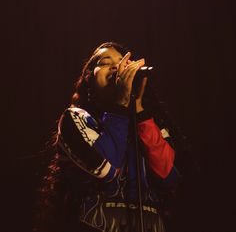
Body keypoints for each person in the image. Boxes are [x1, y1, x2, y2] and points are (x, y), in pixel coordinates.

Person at [34, 41, 180, 232]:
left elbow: (168, 177)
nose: (116, 66)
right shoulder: (75, 118)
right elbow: (107, 168)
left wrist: (139, 111)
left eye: (122, 62)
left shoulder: (152, 124)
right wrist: (121, 103)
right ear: (89, 79)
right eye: (104, 62)